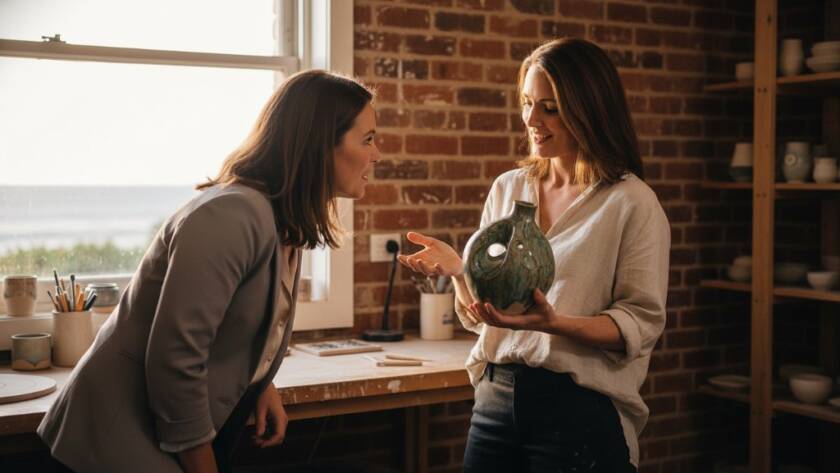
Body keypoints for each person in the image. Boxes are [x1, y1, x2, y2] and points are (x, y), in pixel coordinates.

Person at [38, 70, 380, 473]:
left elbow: (238, 321)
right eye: (369, 139)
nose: (377, 154)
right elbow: (175, 357)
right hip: (109, 444)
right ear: (320, 144)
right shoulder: (230, 216)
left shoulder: (281, 222)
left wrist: (258, 383)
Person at [399, 38, 670, 473]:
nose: (530, 119)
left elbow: (640, 324)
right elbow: (482, 314)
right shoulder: (509, 188)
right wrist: (459, 273)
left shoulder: (631, 203)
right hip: (494, 402)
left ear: (590, 109)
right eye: (527, 103)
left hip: (579, 412)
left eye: (550, 107)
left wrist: (556, 325)